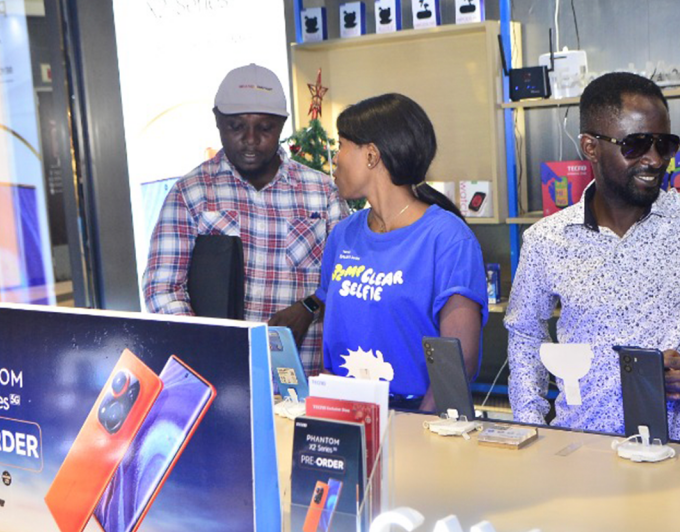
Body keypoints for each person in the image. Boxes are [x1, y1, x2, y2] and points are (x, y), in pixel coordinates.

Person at [142, 63, 347, 376]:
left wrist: (309, 307)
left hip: (309, 378)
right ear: (217, 121)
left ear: (282, 125)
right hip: (225, 377)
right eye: (236, 127)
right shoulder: (191, 194)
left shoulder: (322, 193)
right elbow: (162, 289)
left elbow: (346, 279)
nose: (250, 139)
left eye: (264, 128)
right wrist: (210, 349)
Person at [505, 71, 680, 436]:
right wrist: (530, 428)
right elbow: (525, 335)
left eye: (664, 145)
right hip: (582, 446)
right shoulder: (547, 240)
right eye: (636, 145)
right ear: (590, 147)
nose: (654, 160)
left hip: (672, 450)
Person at [316, 93, 489, 410]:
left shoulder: (448, 239)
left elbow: (458, 363)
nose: (335, 159)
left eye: (341, 145)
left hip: (417, 416)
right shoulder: (343, 236)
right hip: (345, 414)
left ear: (371, 155)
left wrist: (416, 427)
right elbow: (333, 344)